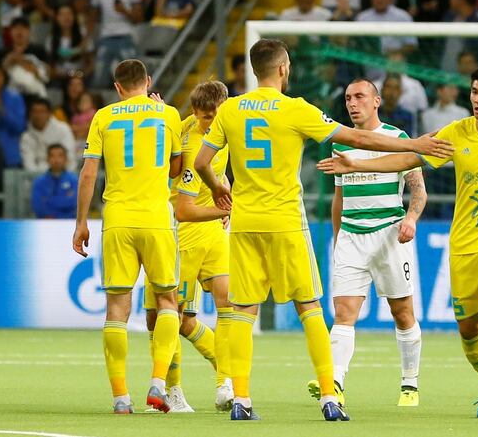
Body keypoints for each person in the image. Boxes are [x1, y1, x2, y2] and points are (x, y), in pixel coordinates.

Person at [193, 38, 452, 422]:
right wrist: (416, 144)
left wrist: (217, 187)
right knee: (310, 308)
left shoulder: (230, 109)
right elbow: (359, 138)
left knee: (243, 310)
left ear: (253, 69)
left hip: (245, 222)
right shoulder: (296, 109)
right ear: (283, 68)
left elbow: (201, 161)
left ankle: (241, 401)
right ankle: (329, 397)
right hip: (285, 222)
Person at [318, 64, 478, 419]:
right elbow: (409, 158)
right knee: (468, 331)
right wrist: (356, 166)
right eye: (474, 92)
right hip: (464, 242)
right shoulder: (456, 133)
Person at [306, 78, 427, 408]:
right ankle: (335, 383)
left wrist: (411, 218)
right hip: (351, 236)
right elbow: (339, 198)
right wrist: (336, 239)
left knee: (402, 313)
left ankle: (409, 382)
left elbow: (418, 190)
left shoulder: (398, 139)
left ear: (376, 101)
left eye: (359, 96)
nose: (352, 103)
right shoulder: (340, 144)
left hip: (390, 234)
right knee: (343, 312)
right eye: (347, 98)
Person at [72, 59, 183, 414]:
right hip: (156, 218)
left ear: (117, 87)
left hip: (117, 219)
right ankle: (158, 384)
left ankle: (121, 398)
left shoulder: (103, 117)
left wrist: (80, 222)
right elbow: (177, 168)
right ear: (148, 82)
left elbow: (89, 173)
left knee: (117, 308)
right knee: (167, 301)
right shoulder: (168, 115)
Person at [141, 81, 234, 413]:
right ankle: (173, 390)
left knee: (228, 304)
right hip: (183, 235)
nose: (210, 122)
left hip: (212, 233)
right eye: (205, 117)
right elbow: (183, 209)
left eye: (215, 115)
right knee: (171, 318)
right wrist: (224, 209)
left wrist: (225, 191)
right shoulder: (194, 144)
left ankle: (226, 382)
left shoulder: (225, 128)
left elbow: (225, 171)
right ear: (195, 113)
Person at [90, 0, 144, 88]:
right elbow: (92, 18)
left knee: (133, 74)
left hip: (126, 35)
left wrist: (124, 11)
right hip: (105, 37)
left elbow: (138, 19)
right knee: (99, 76)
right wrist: (88, 38)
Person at [21, 97, 76, 172]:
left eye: (42, 111)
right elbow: (28, 165)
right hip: (38, 178)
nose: (38, 115)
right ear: (29, 114)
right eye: (35, 111)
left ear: (49, 113)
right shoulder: (26, 137)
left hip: (64, 175)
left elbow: (70, 158)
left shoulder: (63, 129)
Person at [31, 143, 77, 218]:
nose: (56, 160)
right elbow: (38, 207)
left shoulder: (74, 180)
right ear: (47, 159)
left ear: (66, 159)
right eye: (52, 156)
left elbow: (73, 204)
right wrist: (63, 200)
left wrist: (48, 200)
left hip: (69, 223)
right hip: (45, 224)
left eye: (60, 156)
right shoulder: (39, 182)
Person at [0, 66, 26, 169]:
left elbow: (19, 127)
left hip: (9, 155)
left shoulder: (15, 98)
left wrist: (1, 108)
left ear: (4, 78)